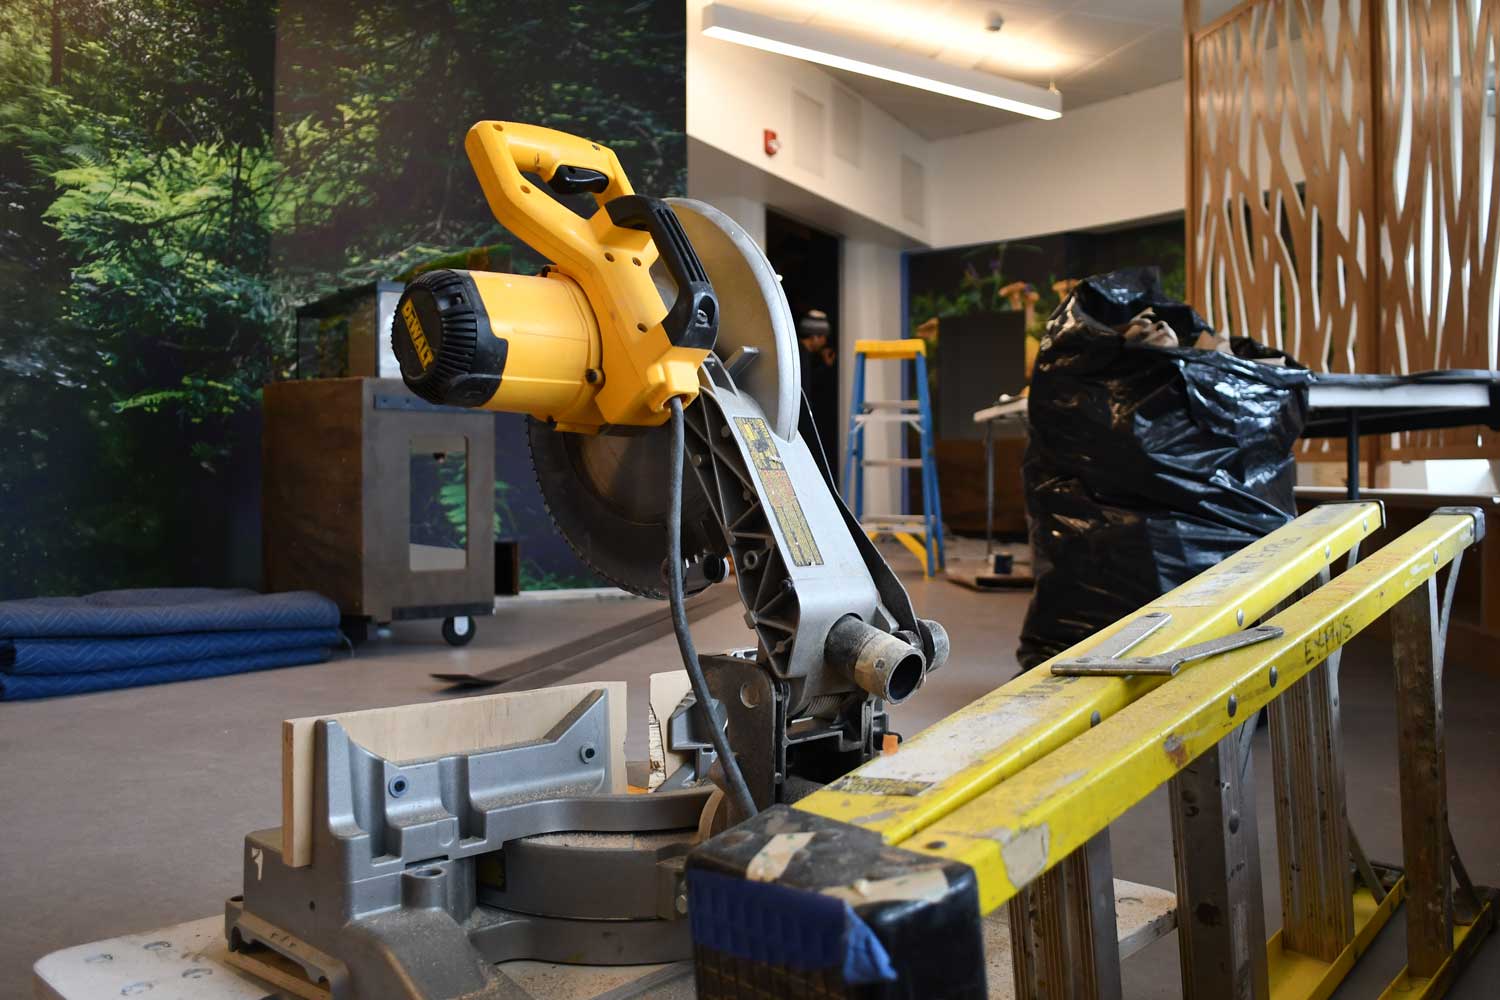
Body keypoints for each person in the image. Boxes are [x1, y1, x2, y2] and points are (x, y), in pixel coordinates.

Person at [797, 309, 838, 451]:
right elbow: (805, 389)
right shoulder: (801, 356)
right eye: (823, 337)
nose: (825, 342)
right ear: (814, 336)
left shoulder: (803, 354)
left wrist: (825, 366)